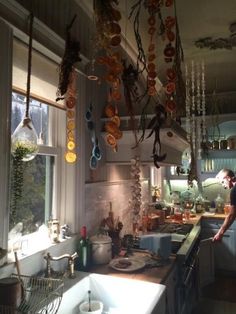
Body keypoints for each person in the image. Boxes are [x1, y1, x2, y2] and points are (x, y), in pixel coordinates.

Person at [212, 168, 236, 242]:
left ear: (228, 178)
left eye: (223, 182)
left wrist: (220, 233)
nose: (224, 186)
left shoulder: (234, 190)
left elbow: (231, 215)